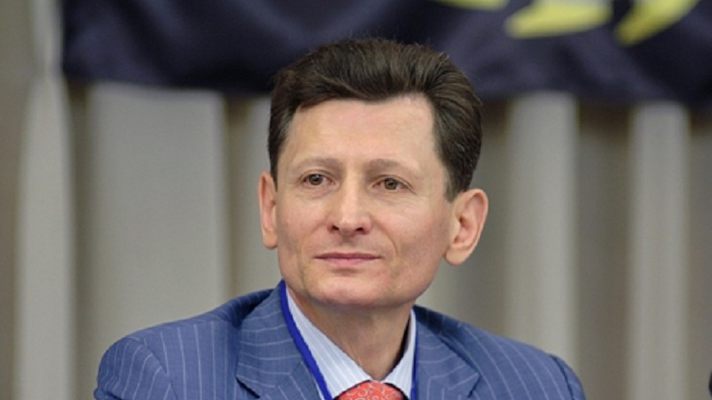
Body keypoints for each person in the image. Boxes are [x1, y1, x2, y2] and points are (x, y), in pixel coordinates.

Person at [94, 37, 585, 400]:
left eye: (389, 184)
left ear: (463, 226)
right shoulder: (168, 380)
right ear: (271, 208)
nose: (347, 218)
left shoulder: (536, 387)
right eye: (316, 179)